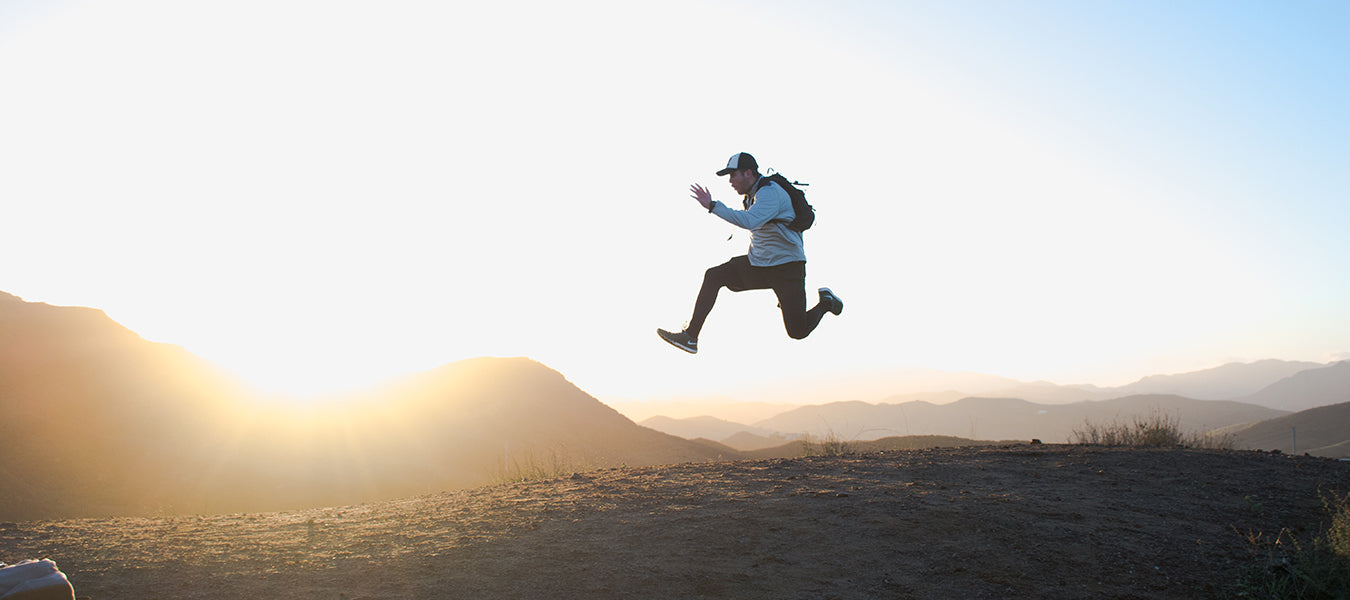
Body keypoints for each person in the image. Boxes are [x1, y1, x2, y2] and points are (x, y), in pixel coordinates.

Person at [657, 152, 842, 354]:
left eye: (733, 175)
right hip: (759, 265)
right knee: (714, 275)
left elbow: (750, 221)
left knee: (797, 331)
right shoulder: (752, 195)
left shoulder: (770, 192)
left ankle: (826, 302)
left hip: (787, 268)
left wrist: (712, 206)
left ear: (748, 173)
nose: (730, 181)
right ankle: (691, 337)